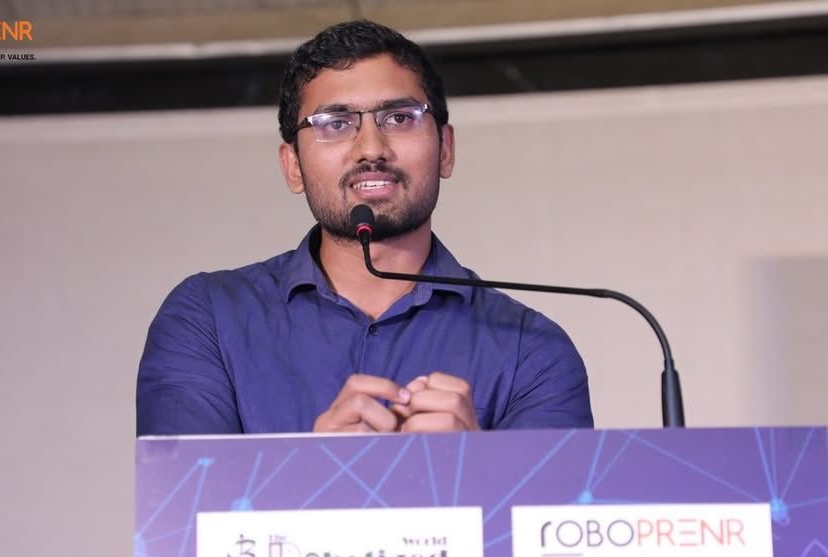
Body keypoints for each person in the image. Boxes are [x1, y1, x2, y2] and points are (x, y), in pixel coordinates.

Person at [136, 20, 593, 436]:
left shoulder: (533, 351)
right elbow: (185, 499)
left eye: (400, 118)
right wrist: (318, 470)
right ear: (293, 165)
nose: (371, 148)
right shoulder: (208, 320)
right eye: (335, 123)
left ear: (445, 149)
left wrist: (472, 467)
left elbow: (551, 503)